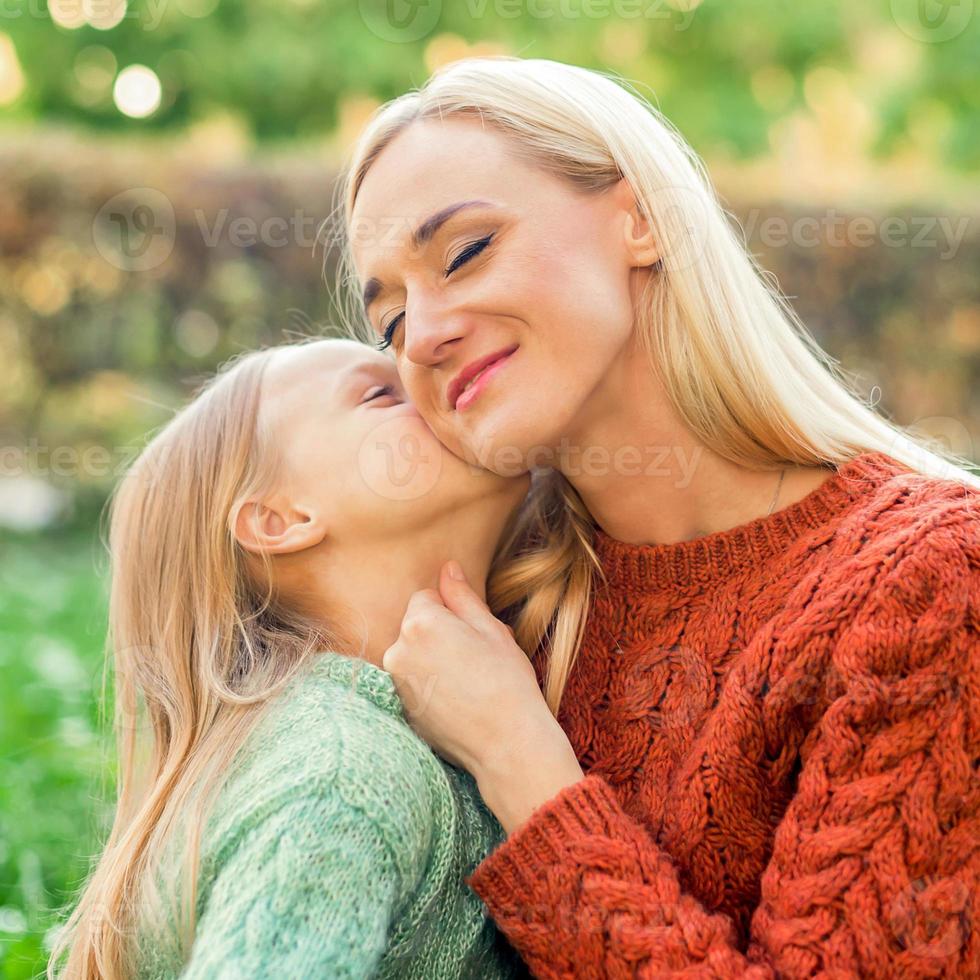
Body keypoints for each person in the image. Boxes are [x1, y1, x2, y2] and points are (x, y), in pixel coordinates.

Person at [337, 56, 980, 977]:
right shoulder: (489, 624)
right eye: (391, 322)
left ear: (638, 220)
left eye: (466, 252)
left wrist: (525, 765)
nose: (427, 333)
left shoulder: (933, 580)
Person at [49, 338, 530, 979]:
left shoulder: (329, 745)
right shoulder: (344, 779)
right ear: (280, 520)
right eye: (381, 394)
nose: (429, 389)